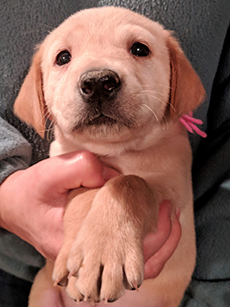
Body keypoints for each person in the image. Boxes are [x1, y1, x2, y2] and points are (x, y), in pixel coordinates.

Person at [0, 0, 229, 306]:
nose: (97, 81)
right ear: (38, 93)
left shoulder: (171, 146)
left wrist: (126, 198)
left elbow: (161, 197)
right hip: (31, 281)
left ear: (175, 76)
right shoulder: (62, 148)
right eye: (64, 57)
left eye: (138, 50)